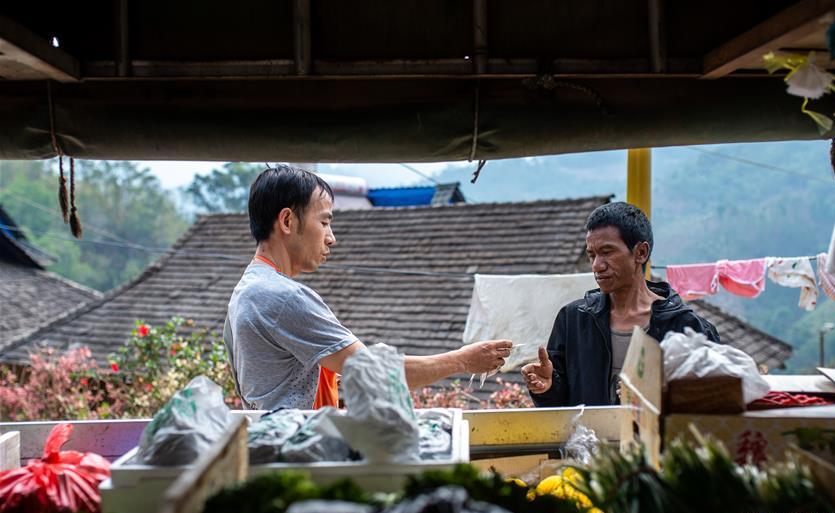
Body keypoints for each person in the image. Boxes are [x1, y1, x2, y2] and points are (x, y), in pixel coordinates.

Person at [225, 165, 512, 411]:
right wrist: (463, 360)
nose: (331, 238)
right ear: (287, 221)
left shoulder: (247, 290)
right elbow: (375, 373)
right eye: (324, 222)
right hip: (294, 452)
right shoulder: (283, 297)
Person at [521, 202, 719, 407]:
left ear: (641, 253)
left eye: (607, 252)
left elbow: (710, 405)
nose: (597, 265)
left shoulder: (687, 328)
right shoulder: (573, 320)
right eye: (592, 255)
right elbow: (559, 406)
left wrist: (658, 395)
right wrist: (548, 387)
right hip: (588, 439)